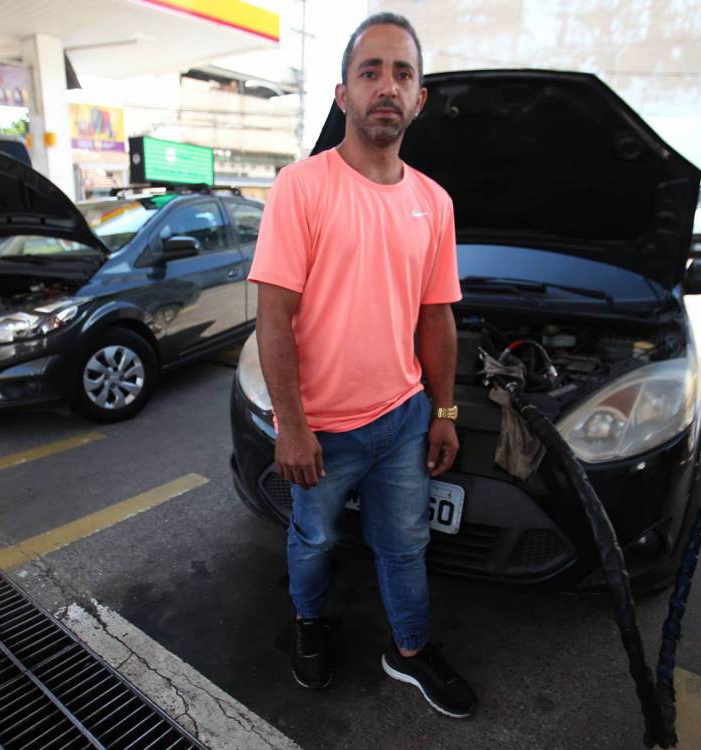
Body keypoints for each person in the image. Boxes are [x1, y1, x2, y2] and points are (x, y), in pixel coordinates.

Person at [247, 12, 476, 719]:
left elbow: (436, 318)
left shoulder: (434, 203)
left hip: (404, 421)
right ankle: (309, 623)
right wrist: (291, 427)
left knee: (405, 543)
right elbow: (273, 319)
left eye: (401, 73)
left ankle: (408, 649)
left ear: (419, 99)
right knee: (313, 537)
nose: (386, 86)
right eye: (370, 71)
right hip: (323, 430)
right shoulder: (301, 187)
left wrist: (444, 411)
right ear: (342, 94)